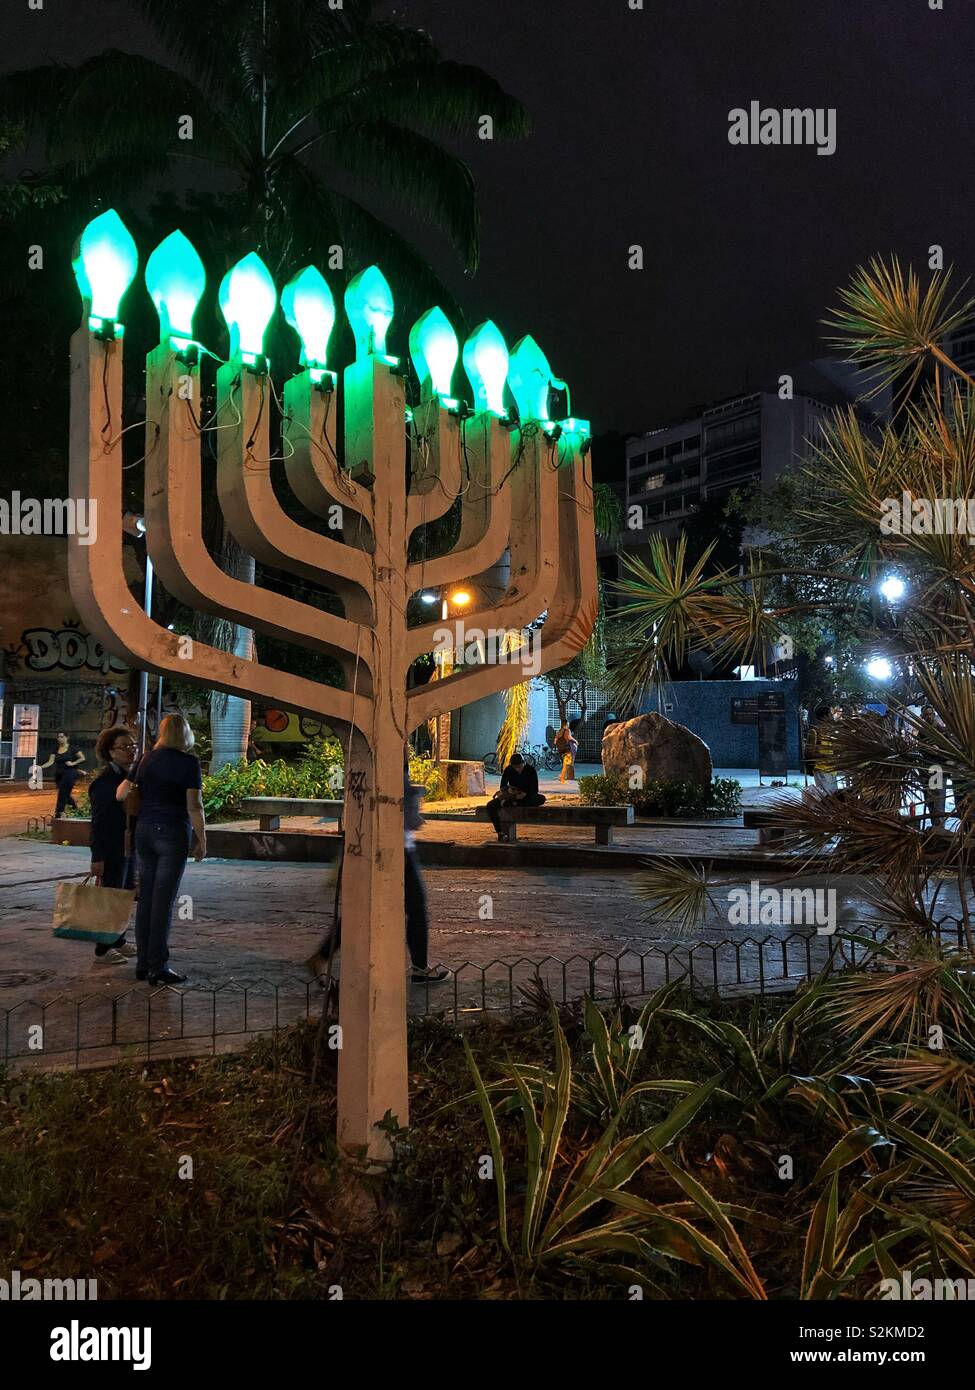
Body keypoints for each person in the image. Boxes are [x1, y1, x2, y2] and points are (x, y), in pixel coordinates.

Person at [306, 761, 450, 984]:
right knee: (414, 908)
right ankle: (419, 968)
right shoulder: (392, 769)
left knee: (365, 908)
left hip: (384, 847)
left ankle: (323, 955)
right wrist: (414, 798)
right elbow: (409, 818)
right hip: (397, 850)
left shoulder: (371, 768)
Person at [119, 714, 205, 986]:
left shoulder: (145, 758)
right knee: (162, 901)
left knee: (146, 898)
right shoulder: (189, 763)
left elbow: (121, 793)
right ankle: (158, 965)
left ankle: (143, 964)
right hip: (172, 832)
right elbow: (195, 806)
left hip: (144, 831)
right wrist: (202, 839)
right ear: (185, 734)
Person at [88, 726, 139, 965]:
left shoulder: (128, 778)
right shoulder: (106, 782)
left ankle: (118, 940)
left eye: (132, 746)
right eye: (124, 747)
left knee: (124, 896)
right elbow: (98, 823)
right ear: (110, 752)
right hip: (111, 849)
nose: (131, 751)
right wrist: (97, 857)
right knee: (111, 898)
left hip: (128, 848)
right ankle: (102, 949)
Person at [486, 753, 546, 839]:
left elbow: (534, 790)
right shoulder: (509, 769)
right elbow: (503, 786)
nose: (517, 769)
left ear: (523, 763)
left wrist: (524, 794)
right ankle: (500, 832)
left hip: (526, 796)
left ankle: (512, 803)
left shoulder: (530, 770)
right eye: (515, 767)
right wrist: (510, 791)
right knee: (490, 805)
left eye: (519, 767)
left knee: (541, 799)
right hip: (512, 795)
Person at [39, 733, 86, 817]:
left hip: (70, 773)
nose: (59, 739)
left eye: (62, 737)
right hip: (59, 774)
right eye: (58, 737)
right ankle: (76, 810)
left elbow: (82, 758)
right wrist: (41, 766)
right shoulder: (56, 749)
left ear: (67, 738)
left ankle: (59, 813)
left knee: (62, 793)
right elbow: (51, 761)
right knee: (65, 794)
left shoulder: (72, 748)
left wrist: (72, 763)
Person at [804, 704, 839, 795]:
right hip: (822, 770)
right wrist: (825, 756)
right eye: (830, 714)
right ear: (824, 717)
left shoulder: (830, 732)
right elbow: (808, 753)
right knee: (825, 798)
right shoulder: (814, 732)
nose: (832, 716)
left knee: (833, 797)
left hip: (832, 771)